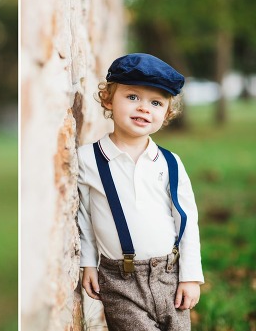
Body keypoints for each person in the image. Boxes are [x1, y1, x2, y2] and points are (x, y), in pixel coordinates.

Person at [77, 53, 204, 330]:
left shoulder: (170, 163)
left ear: (166, 114)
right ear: (108, 99)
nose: (144, 108)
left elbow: (187, 221)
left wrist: (190, 276)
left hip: (170, 276)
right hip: (120, 281)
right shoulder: (88, 159)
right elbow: (84, 216)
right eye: (133, 97)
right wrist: (87, 262)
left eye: (156, 103)